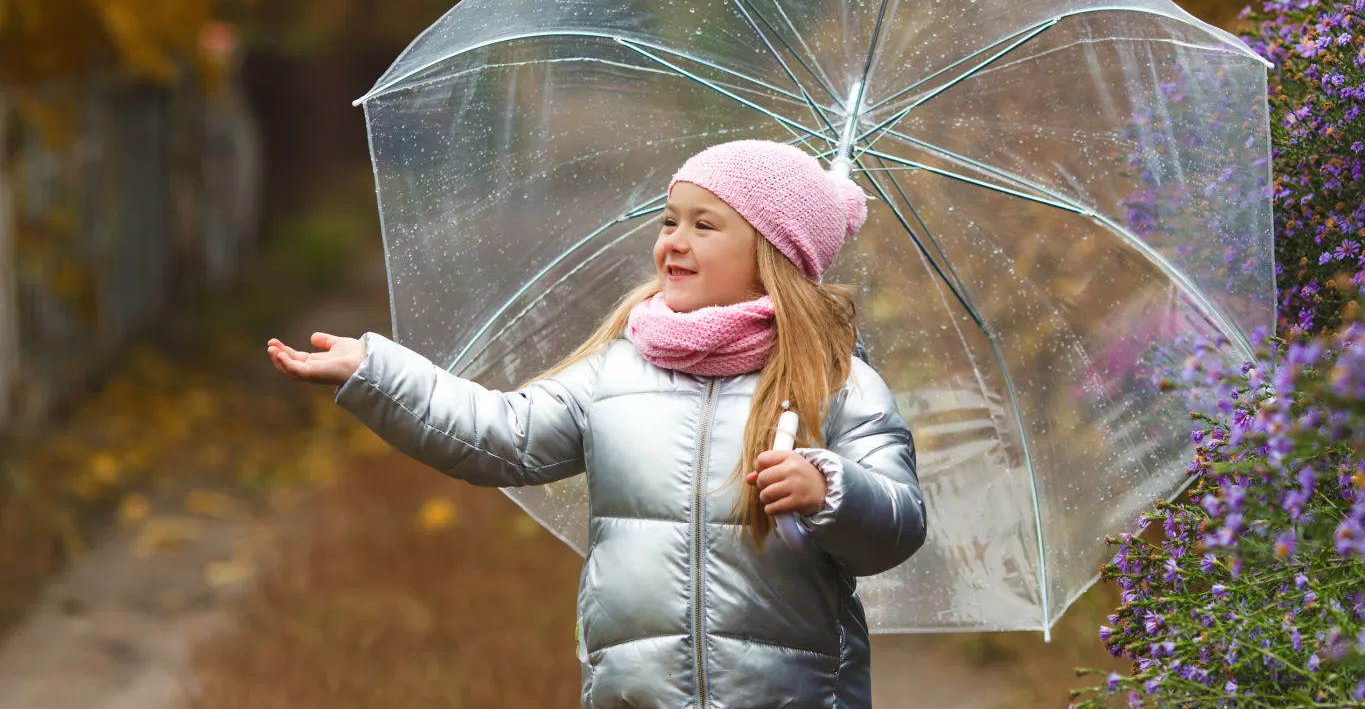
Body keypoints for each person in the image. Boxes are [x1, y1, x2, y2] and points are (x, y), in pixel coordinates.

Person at [267, 139, 927, 709]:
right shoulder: (619, 371)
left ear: (776, 253)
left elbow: (897, 523)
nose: (674, 239)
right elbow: (502, 433)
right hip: (637, 691)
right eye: (670, 220)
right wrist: (375, 371)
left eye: (705, 225)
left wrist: (830, 490)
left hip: (793, 691)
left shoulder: (835, 384)